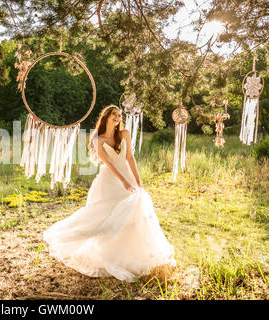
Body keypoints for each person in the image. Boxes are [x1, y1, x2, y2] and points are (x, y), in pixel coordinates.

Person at [43, 105, 176, 282]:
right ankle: (105, 253)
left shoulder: (125, 134)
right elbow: (109, 164)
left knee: (133, 212)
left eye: (119, 116)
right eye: (114, 115)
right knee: (106, 216)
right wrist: (123, 182)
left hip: (127, 175)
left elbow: (130, 158)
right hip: (110, 180)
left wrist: (137, 180)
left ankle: (130, 255)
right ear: (106, 117)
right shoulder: (98, 138)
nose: (117, 118)